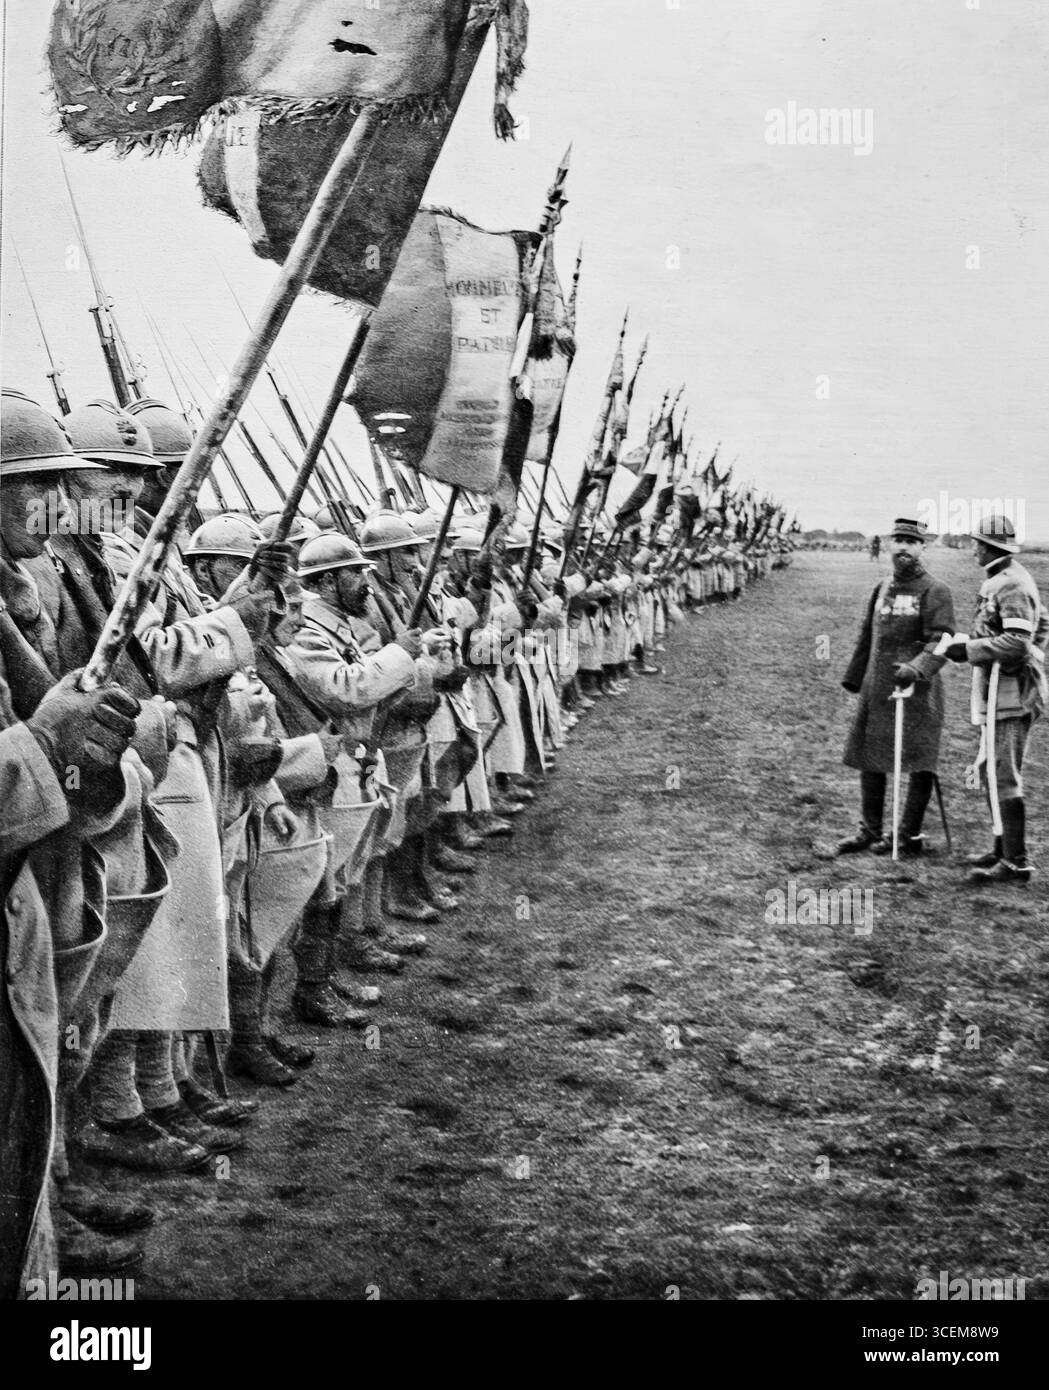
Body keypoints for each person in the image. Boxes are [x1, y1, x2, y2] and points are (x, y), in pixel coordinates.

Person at [838, 518, 956, 856]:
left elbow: (942, 639)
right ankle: (869, 830)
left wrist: (917, 668)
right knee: (870, 756)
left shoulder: (935, 590)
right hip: (878, 688)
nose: (903, 547)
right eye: (898, 540)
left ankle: (908, 834)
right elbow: (867, 634)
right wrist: (855, 676)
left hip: (917, 690)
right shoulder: (882, 586)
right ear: (890, 544)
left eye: (911, 541)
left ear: (922, 547)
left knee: (919, 757)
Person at [945, 515, 1049, 884]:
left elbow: (1018, 641)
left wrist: (969, 649)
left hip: (1013, 692)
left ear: (990, 547)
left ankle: (1016, 863)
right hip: (997, 686)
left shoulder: (1013, 583)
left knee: (1004, 775)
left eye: (977, 542)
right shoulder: (999, 579)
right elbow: (1039, 627)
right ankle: (1001, 848)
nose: (973, 547)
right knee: (992, 770)